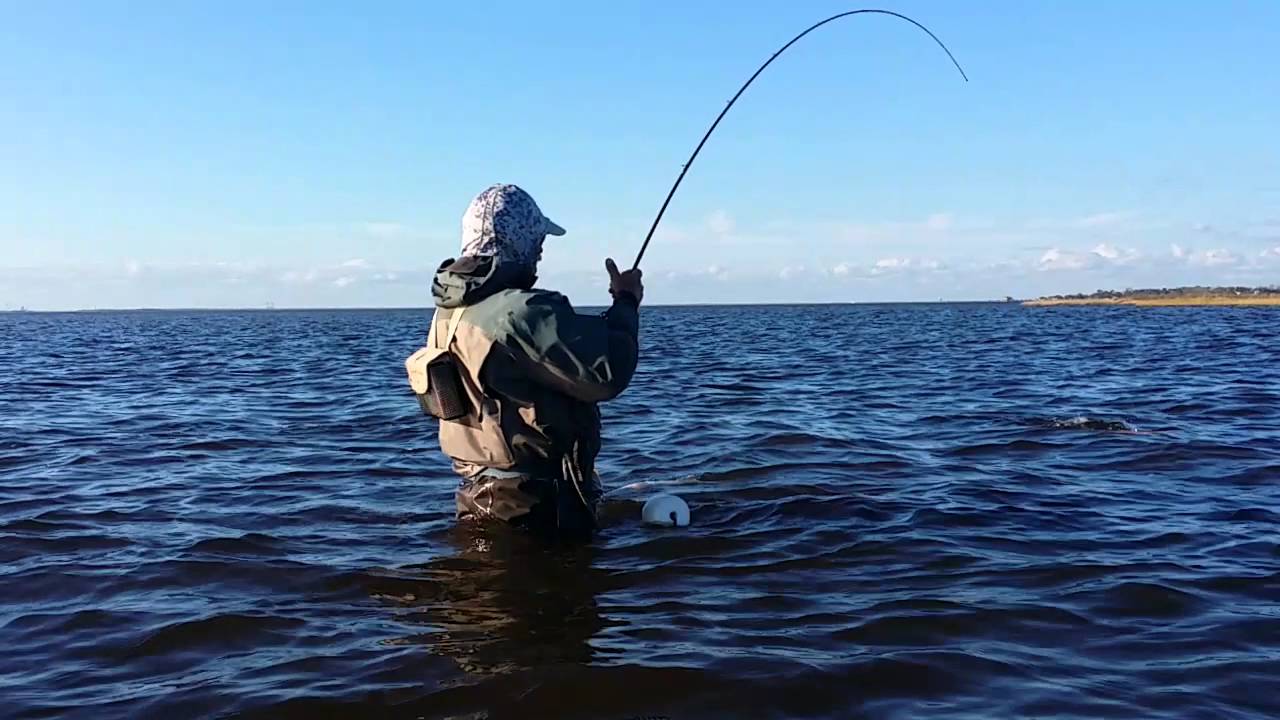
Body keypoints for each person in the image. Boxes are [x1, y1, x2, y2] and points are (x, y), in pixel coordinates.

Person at [411, 183, 643, 540]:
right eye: (538, 241)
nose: (540, 252)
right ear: (519, 241)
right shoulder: (520, 312)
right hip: (535, 507)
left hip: (479, 495)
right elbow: (607, 373)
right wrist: (626, 302)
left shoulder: (450, 313)